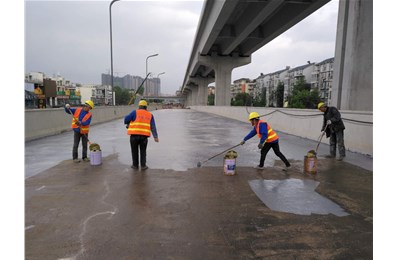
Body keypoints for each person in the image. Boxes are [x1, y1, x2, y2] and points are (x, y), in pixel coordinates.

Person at [124, 100, 159, 170]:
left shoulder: (134, 112)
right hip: (144, 137)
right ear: (146, 107)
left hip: (134, 136)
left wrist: (129, 122)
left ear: (139, 106)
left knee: (134, 151)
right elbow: (153, 127)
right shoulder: (150, 115)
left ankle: (135, 165)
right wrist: (155, 137)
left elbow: (125, 120)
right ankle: (143, 166)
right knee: (143, 151)